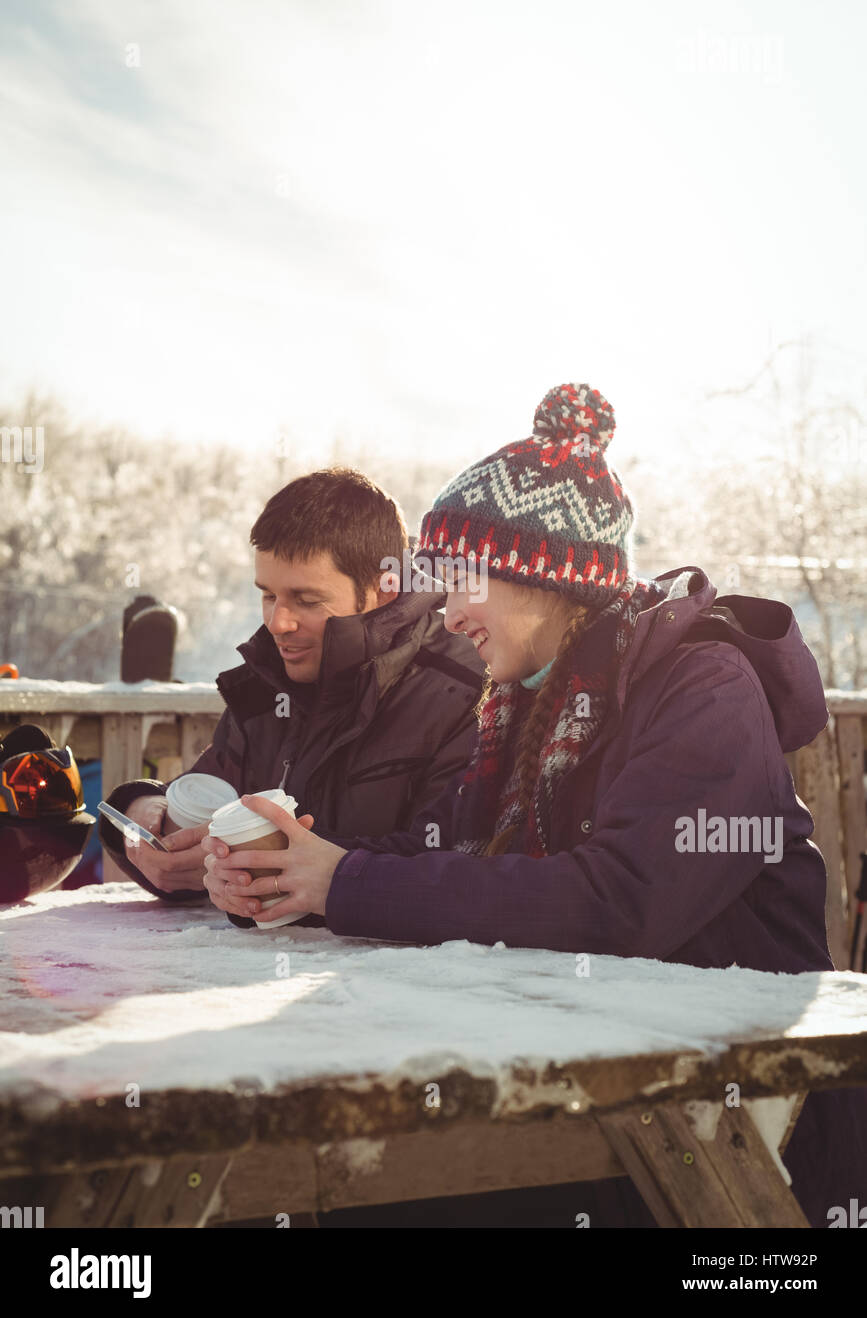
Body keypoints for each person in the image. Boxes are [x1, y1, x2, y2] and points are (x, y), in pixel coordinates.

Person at [203, 382, 867, 1227]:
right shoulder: (524, 708)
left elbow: (622, 902)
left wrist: (345, 885)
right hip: (601, 1079)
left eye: (461, 583)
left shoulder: (702, 685)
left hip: (741, 1121)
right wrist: (296, 870)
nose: (445, 611)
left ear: (541, 578)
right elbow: (452, 845)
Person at [98, 467, 485, 925]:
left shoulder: (467, 688)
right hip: (245, 980)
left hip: (401, 986)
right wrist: (143, 819)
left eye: (306, 599)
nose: (278, 623)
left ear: (384, 589)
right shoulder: (266, 684)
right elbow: (206, 799)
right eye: (268, 595)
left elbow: (451, 861)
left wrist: (262, 868)